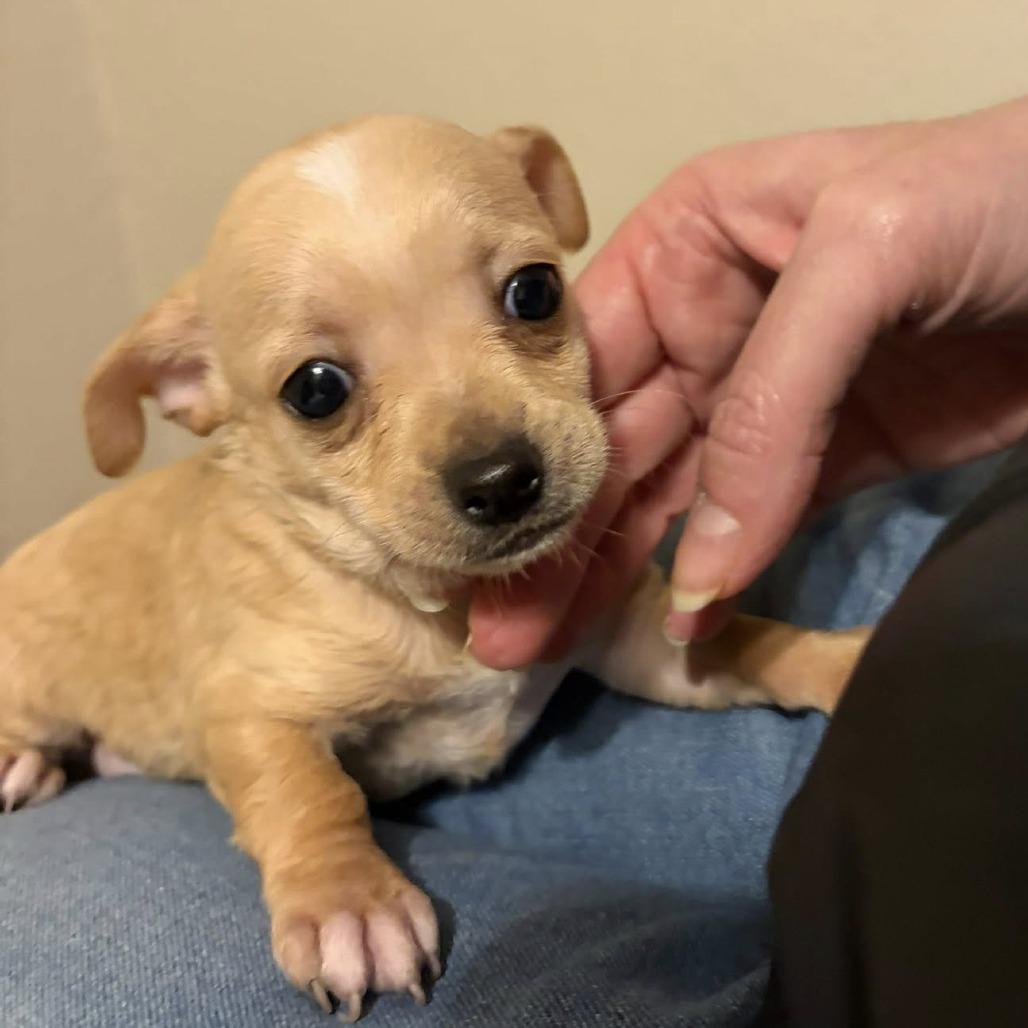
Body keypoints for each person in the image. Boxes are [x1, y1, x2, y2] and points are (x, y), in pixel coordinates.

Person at [3, 99, 1027, 1027]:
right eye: (323, 389)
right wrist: (322, 853)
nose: (488, 454)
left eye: (525, 298)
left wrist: (824, 664)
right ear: (191, 382)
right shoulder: (281, 583)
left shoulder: (573, 544)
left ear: (539, 189)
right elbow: (250, 716)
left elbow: (640, 637)